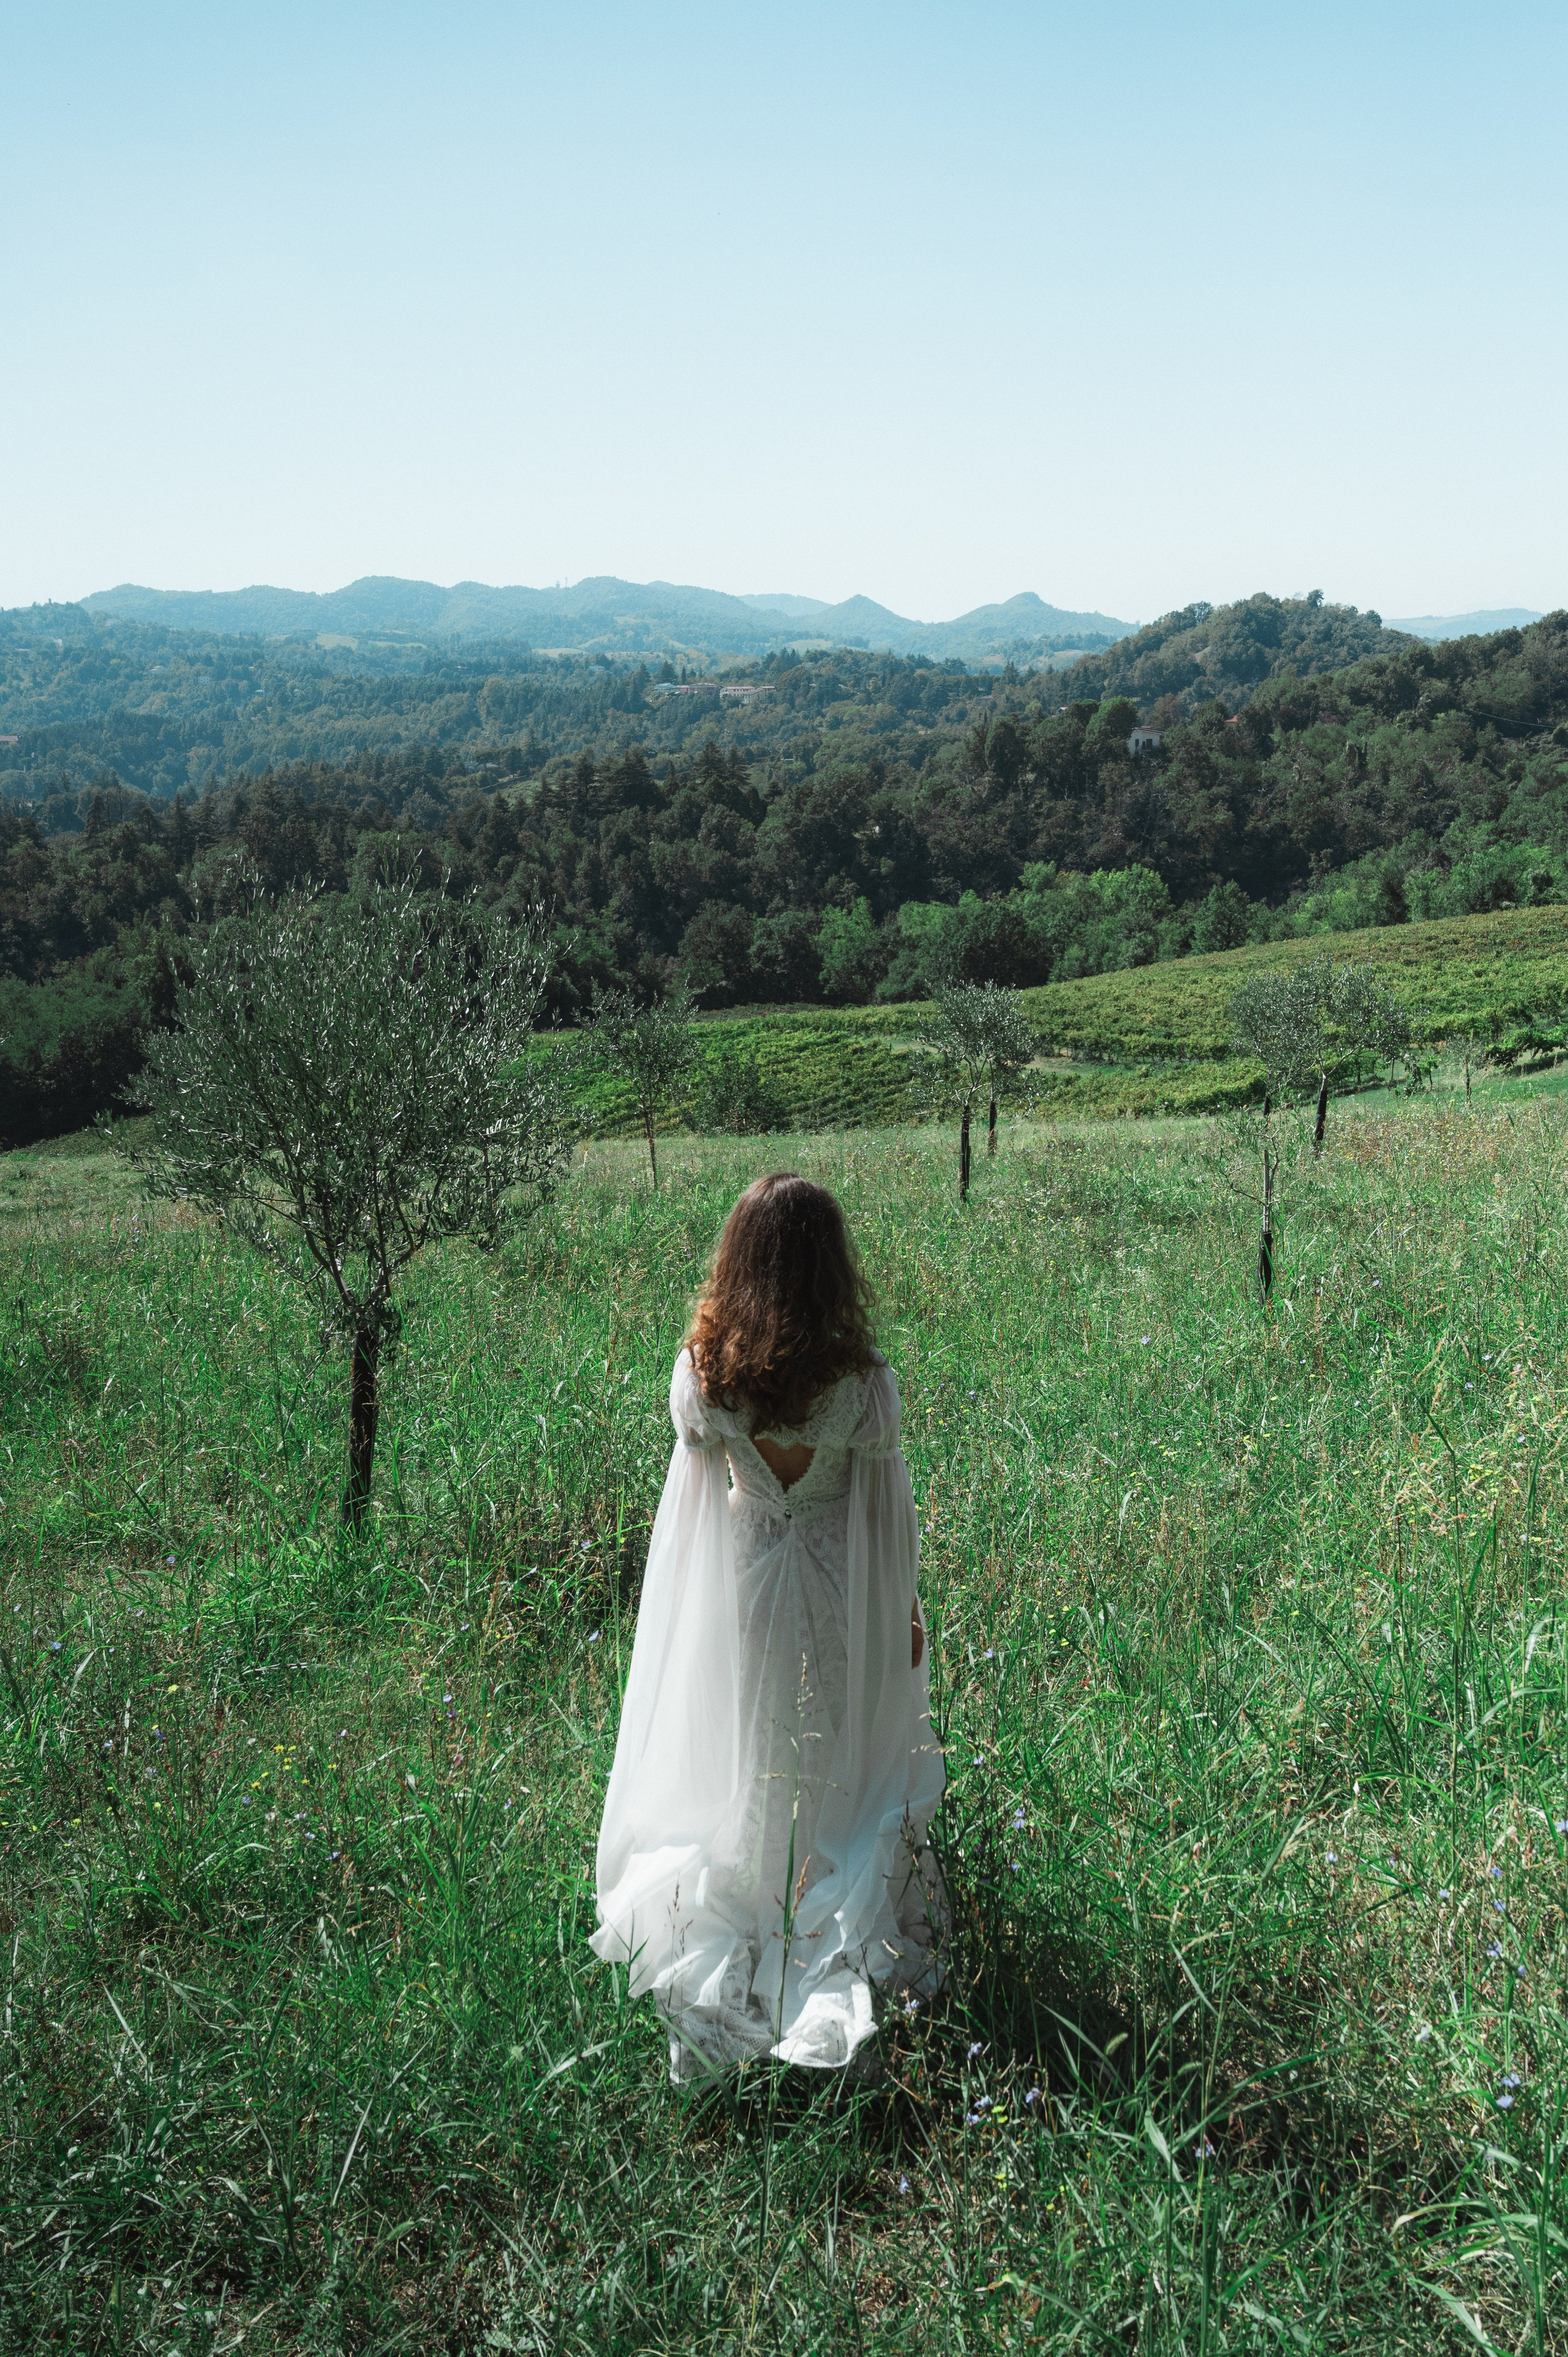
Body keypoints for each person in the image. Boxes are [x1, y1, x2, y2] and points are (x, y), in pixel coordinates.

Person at [591, 1171, 946, 2082]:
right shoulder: (864, 1389)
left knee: (748, 1755)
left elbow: (688, 1520)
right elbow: (885, 1518)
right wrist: (902, 1610)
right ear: (833, 1271)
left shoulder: (708, 1382)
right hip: (834, 1584)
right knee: (832, 1761)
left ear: (739, 1264)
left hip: (742, 1587)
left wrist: (682, 1630)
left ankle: (745, 1940)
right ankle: (824, 1937)